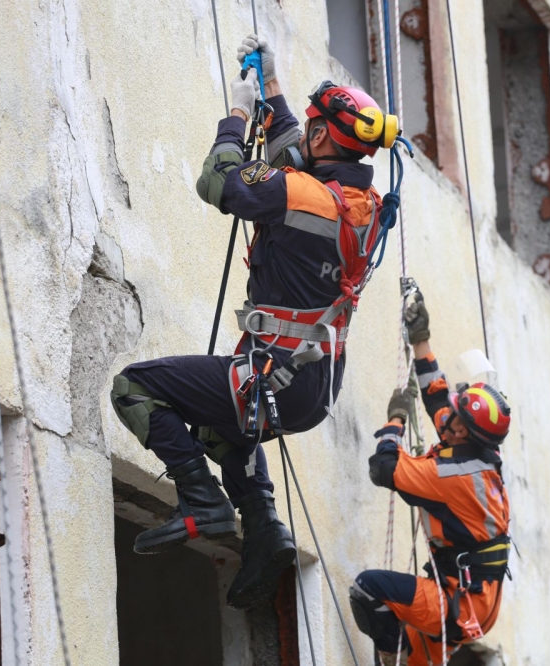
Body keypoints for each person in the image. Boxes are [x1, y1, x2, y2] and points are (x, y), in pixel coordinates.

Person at [109, 34, 397, 610]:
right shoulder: (359, 206)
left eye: (313, 127)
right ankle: (264, 530)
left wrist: (238, 114)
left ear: (322, 137)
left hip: (274, 373)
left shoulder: (301, 195)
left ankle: (202, 500)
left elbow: (217, 182)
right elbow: (299, 150)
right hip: (311, 385)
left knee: (134, 387)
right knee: (221, 428)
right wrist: (272, 84)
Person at [350, 293, 513, 665]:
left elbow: (384, 468)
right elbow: (439, 400)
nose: (447, 422)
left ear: (465, 435)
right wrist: (420, 338)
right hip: (470, 597)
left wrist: (395, 420)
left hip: (460, 603)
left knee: (368, 590)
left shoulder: (454, 476)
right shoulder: (478, 453)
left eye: (455, 422)